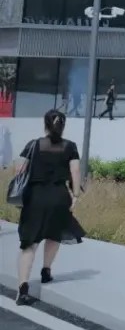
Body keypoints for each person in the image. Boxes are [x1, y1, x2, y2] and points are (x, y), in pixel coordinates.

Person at [13, 109, 85, 306]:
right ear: (63, 126)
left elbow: (19, 169)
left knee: (29, 243)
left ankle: (23, 289)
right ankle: (46, 270)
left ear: (45, 125)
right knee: (54, 235)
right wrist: (76, 195)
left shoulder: (33, 145)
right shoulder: (70, 146)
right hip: (59, 197)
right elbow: (75, 171)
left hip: (35, 197)